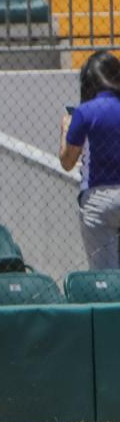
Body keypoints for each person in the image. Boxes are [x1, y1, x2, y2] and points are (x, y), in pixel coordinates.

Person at [61, 49, 120, 269]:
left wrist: (65, 131)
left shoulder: (85, 112)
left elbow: (67, 162)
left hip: (99, 199)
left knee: (106, 275)